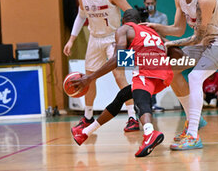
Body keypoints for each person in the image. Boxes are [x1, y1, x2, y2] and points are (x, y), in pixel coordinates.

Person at [144, 0, 218, 150]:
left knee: (195, 77)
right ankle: (196, 118)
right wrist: (154, 27)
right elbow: (178, 29)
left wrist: (172, 44)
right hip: (204, 42)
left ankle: (193, 135)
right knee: (170, 70)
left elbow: (198, 37)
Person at [70, 9, 174, 157]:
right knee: (123, 95)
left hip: (147, 71)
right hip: (164, 74)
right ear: (139, 22)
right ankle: (85, 132)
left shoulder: (124, 29)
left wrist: (90, 77)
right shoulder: (151, 31)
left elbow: (118, 59)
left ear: (124, 21)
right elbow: (173, 48)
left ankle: (150, 132)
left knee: (140, 100)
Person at [63, 0, 139, 133]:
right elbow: (80, 17)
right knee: (88, 78)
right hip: (95, 38)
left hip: (114, 37)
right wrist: (71, 40)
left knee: (119, 75)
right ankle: (88, 117)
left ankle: (132, 116)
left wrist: (131, 34)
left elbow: (129, 11)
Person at [144, 0, 168, 112]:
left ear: (156, 3)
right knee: (144, 76)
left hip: (157, 48)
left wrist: (150, 30)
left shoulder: (162, 17)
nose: (150, 5)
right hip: (144, 49)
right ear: (144, 3)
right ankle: (144, 104)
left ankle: (153, 103)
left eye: (152, 3)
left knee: (155, 76)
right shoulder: (141, 16)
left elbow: (163, 34)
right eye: (148, 3)